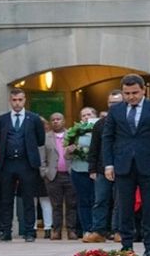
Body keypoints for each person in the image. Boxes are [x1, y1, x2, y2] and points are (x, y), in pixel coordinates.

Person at [102, 74, 150, 256]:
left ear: (143, 90)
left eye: (134, 92)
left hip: (149, 166)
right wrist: (108, 164)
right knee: (124, 207)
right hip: (123, 165)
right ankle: (126, 246)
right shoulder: (116, 111)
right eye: (127, 93)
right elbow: (107, 138)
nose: (131, 97)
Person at [0, 88, 46, 242]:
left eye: (20, 100)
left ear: (25, 100)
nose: (17, 103)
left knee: (28, 198)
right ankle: (6, 231)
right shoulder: (2, 119)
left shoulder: (34, 118)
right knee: (6, 199)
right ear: (10, 101)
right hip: (8, 163)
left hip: (27, 163)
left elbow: (40, 139)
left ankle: (29, 231)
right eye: (14, 100)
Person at [85, 90, 123, 243]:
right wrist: (92, 168)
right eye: (111, 103)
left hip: (122, 168)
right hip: (102, 169)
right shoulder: (100, 124)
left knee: (120, 201)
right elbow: (94, 147)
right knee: (100, 200)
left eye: (118, 103)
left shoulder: (128, 122)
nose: (114, 106)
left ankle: (118, 230)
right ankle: (98, 230)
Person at [40, 112, 77, 240]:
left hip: (70, 174)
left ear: (64, 121)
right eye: (53, 119)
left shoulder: (72, 135)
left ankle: (71, 230)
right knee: (56, 205)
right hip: (53, 175)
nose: (56, 121)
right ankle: (57, 231)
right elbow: (42, 157)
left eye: (58, 119)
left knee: (71, 204)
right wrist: (44, 172)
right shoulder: (46, 137)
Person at [69, 107, 98, 238]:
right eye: (84, 115)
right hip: (79, 170)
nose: (86, 117)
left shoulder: (100, 130)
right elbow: (66, 155)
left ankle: (98, 228)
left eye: (89, 114)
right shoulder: (74, 132)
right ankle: (87, 228)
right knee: (83, 200)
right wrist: (70, 150)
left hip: (96, 170)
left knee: (97, 200)